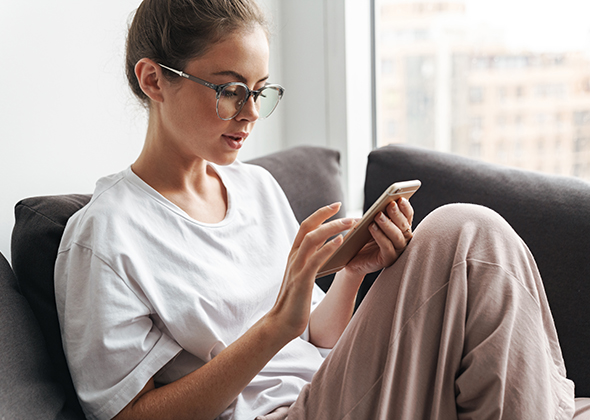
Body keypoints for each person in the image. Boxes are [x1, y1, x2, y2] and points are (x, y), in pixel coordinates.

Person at [54, 0, 582, 419]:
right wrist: (276, 327)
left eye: (260, 91)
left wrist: (352, 274)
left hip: (336, 390)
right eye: (231, 90)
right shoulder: (103, 236)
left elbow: (320, 338)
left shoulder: (256, 187)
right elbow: (128, 416)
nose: (251, 114)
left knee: (474, 239)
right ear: (153, 80)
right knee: (465, 235)